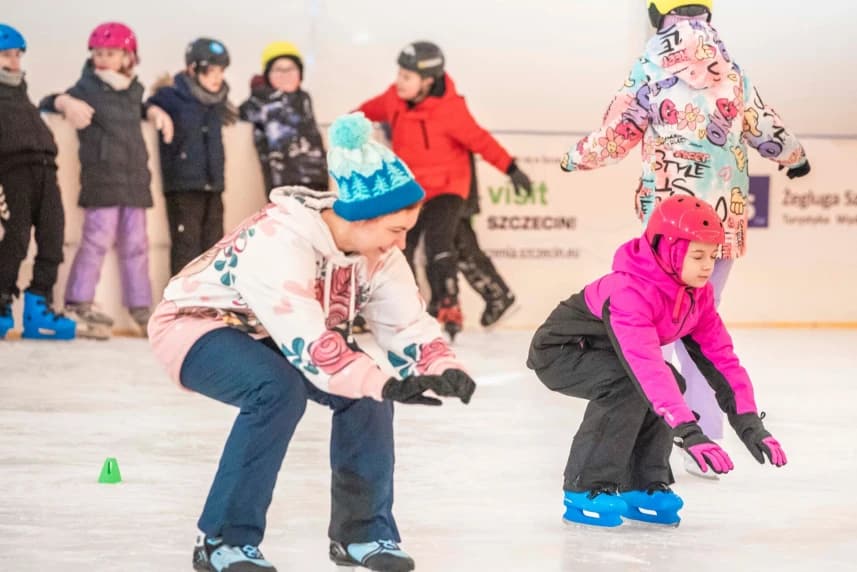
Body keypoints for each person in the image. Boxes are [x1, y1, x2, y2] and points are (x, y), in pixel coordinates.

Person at [148, 112, 476, 572]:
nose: (400, 245)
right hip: (196, 325)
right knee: (278, 390)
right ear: (360, 217)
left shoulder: (377, 253)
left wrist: (442, 368)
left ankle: (364, 536)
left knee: (366, 398)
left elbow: (406, 323)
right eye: (396, 231)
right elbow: (305, 339)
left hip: (280, 335)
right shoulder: (280, 240)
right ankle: (223, 540)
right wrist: (377, 380)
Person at [560, 0, 809, 476]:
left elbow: (619, 131)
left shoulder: (651, 66)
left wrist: (576, 156)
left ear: (656, 15)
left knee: (661, 325)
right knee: (702, 322)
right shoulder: (729, 69)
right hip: (720, 223)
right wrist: (793, 155)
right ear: (708, 15)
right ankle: (708, 427)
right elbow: (760, 120)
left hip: (669, 226)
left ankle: (679, 423)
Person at [527, 196, 787, 528]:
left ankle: (642, 485)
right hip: (562, 352)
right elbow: (644, 364)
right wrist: (689, 432)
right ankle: (585, 488)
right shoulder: (629, 290)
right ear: (669, 250)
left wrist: (750, 423)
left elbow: (721, 360)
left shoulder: (697, 295)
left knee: (672, 383)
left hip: (608, 353)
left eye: (712, 255)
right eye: (697, 256)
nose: (708, 266)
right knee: (627, 386)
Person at [357, 41, 532, 340]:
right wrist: (346, 131)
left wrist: (511, 168)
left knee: (439, 242)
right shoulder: (392, 99)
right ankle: (408, 309)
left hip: (449, 188)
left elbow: (480, 140)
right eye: (399, 73)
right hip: (412, 191)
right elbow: (362, 113)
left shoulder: (450, 109)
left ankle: (449, 305)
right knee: (404, 246)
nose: (399, 82)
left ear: (427, 81)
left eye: (407, 77)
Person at [40, 21, 172, 338]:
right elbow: (47, 101)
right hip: (102, 182)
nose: (103, 59)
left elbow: (138, 108)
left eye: (111, 53)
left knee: (137, 247)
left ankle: (142, 309)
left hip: (135, 183)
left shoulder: (134, 92)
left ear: (128, 57)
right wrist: (63, 102)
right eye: (98, 52)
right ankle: (79, 301)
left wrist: (153, 111)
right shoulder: (86, 88)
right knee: (95, 243)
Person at [0, 23, 75, 340]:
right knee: (14, 239)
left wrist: (59, 101)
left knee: (53, 235)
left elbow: (44, 106)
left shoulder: (22, 93)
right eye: (5, 55)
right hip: (11, 171)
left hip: (45, 170)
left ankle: (37, 307)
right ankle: (2, 302)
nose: (14, 62)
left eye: (17, 55)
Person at [148, 37, 235, 274]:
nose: (217, 77)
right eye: (210, 70)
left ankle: (211, 304)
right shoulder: (173, 95)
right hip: (184, 185)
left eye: (221, 70)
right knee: (187, 246)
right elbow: (145, 105)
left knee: (215, 247)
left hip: (213, 184)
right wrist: (155, 112)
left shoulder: (218, 103)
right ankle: (181, 306)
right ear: (192, 68)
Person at [239, 41, 328, 196]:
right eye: (278, 70)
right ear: (268, 74)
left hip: (317, 177)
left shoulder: (304, 98)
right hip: (283, 182)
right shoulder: (260, 101)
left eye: (291, 69)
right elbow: (233, 115)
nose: (285, 75)